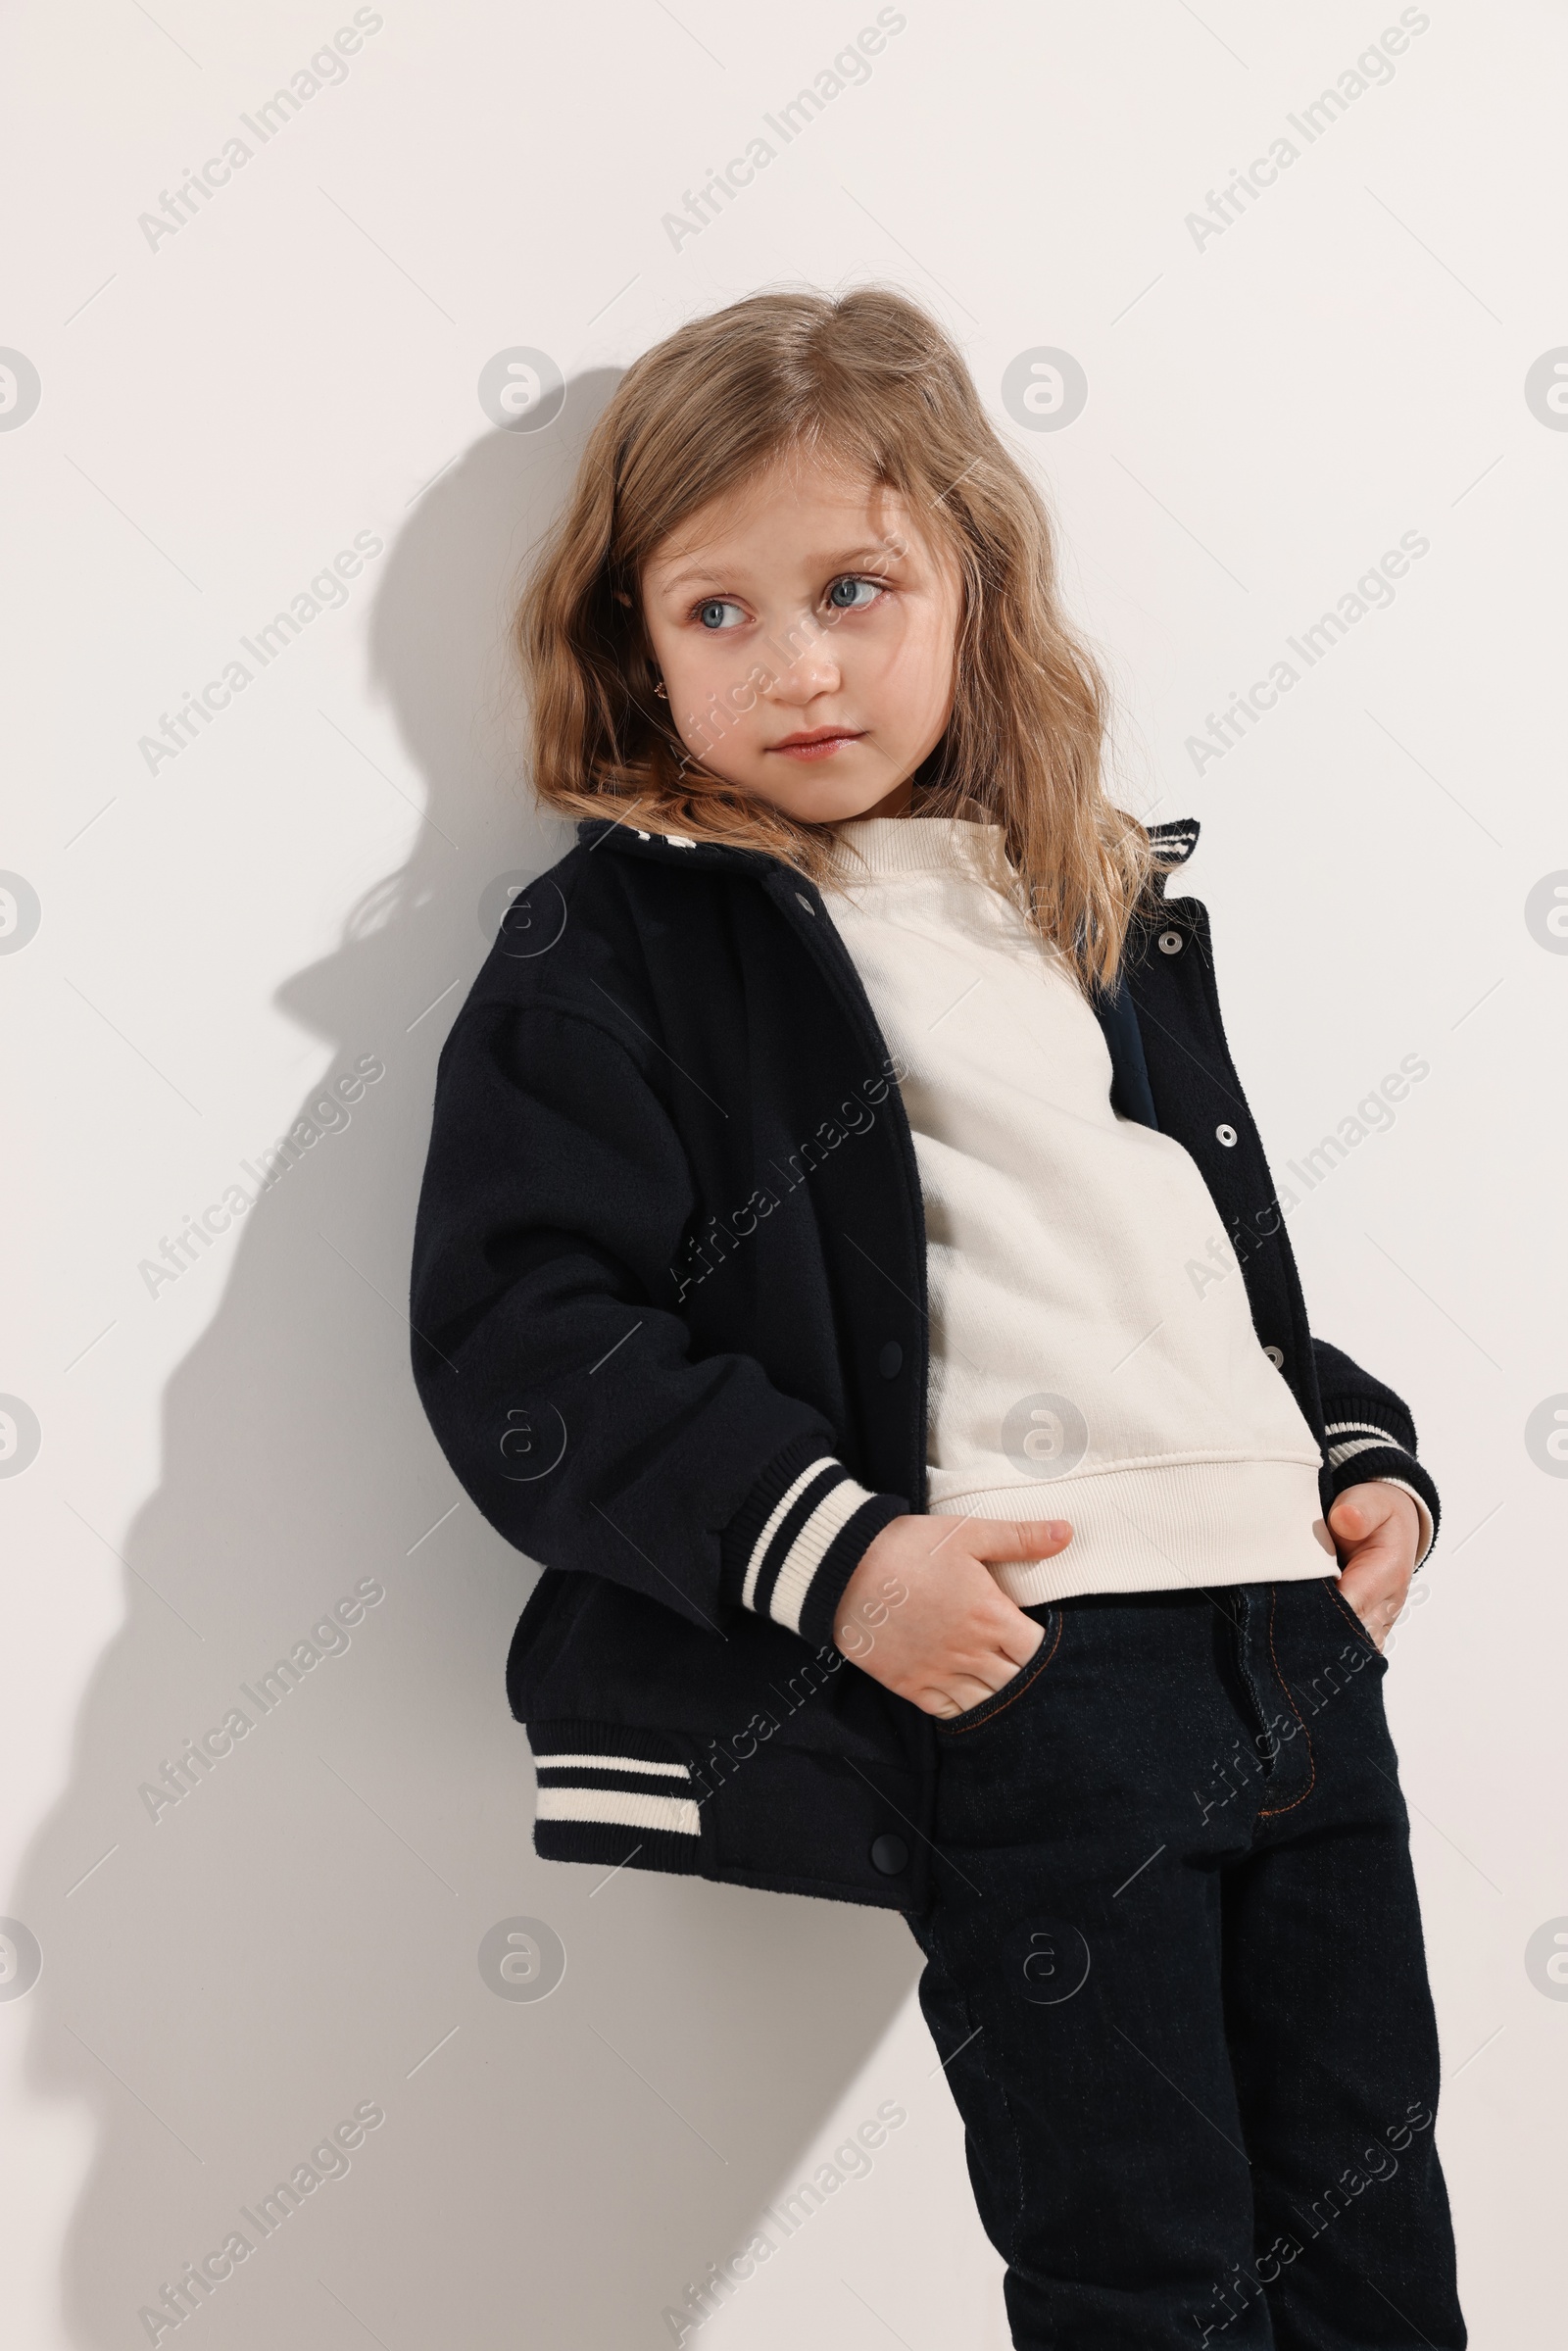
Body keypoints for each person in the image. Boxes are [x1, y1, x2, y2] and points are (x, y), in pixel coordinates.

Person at [409, 288, 1465, 2348]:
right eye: (717, 612)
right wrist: (840, 1559)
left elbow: (1175, 1273)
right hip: (1035, 1677)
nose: (796, 665)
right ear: (631, 639)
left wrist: (1353, 1453)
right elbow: (525, 1341)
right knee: (1140, 2264)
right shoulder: (630, 935)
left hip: (1292, 1637)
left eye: (852, 587)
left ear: (970, 580)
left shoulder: (1080, 889)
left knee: (1373, 2244)